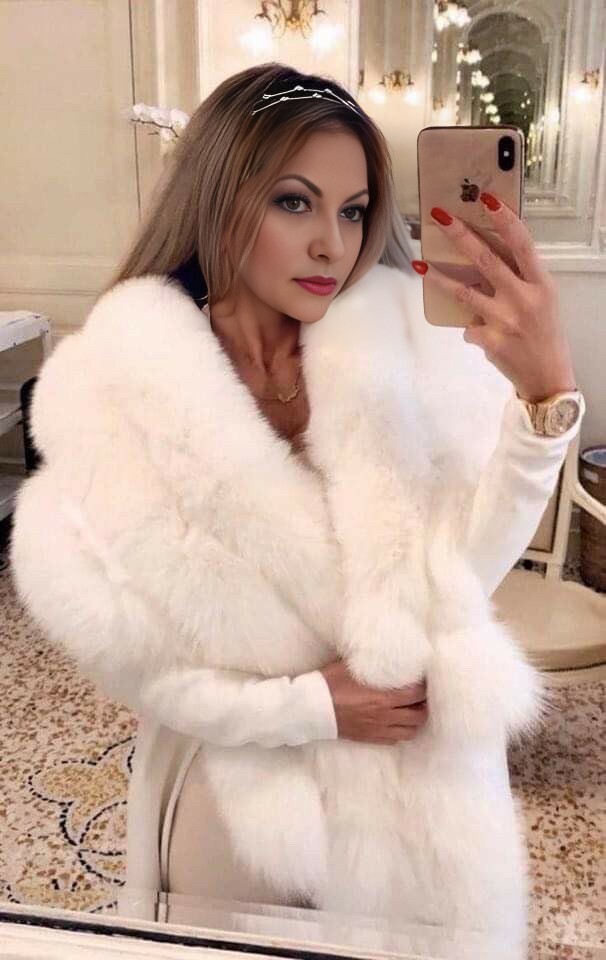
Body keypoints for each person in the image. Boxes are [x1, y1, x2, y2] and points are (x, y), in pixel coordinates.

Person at [10, 62, 585, 957]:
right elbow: (138, 663)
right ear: (217, 198)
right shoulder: (119, 391)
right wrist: (313, 707)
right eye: (294, 203)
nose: (333, 245)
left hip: (422, 796)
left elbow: (460, 578)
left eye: (354, 211)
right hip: (248, 798)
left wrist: (544, 399)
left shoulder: (408, 353)